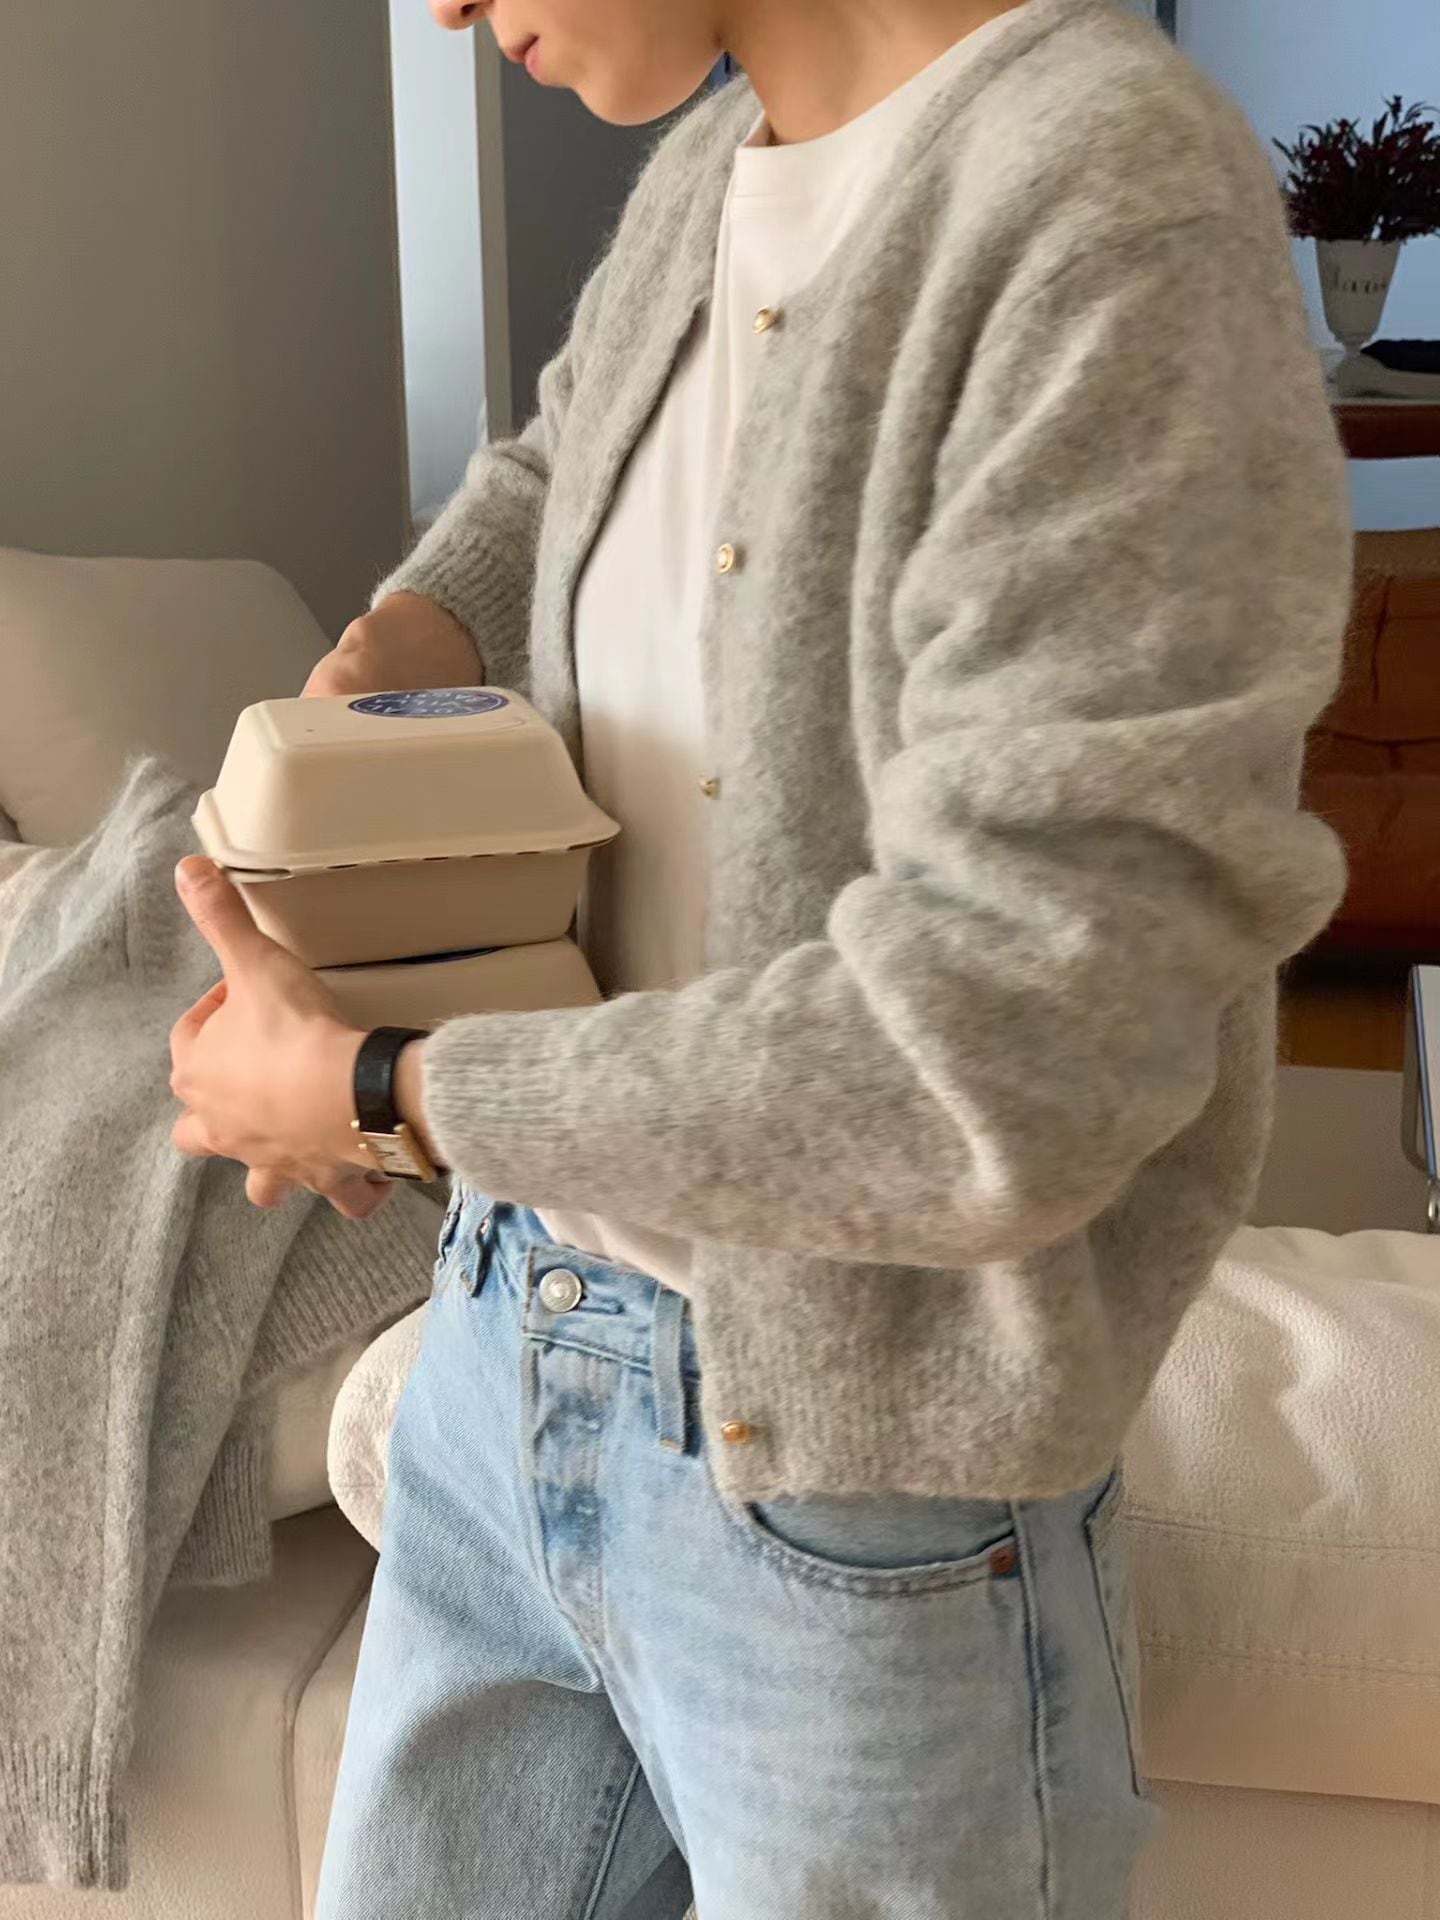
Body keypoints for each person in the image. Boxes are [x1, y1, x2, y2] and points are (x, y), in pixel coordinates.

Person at [167, 0, 1352, 1912]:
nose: (444, 9)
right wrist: (419, 629)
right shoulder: (713, 171)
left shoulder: (1106, 199)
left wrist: (391, 1092)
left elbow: (1008, 1043)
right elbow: (563, 461)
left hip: (855, 1472)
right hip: (510, 1349)